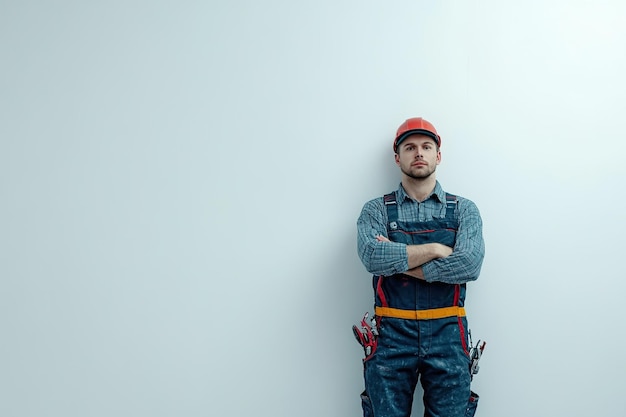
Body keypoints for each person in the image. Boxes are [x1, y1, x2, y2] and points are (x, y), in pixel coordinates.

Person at [356, 117, 485, 417]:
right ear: (397, 156)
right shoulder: (375, 210)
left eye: (426, 147)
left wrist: (400, 263)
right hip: (391, 334)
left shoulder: (464, 210)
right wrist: (436, 250)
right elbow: (372, 257)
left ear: (437, 156)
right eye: (410, 147)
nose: (419, 153)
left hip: (448, 334)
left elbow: (469, 264)